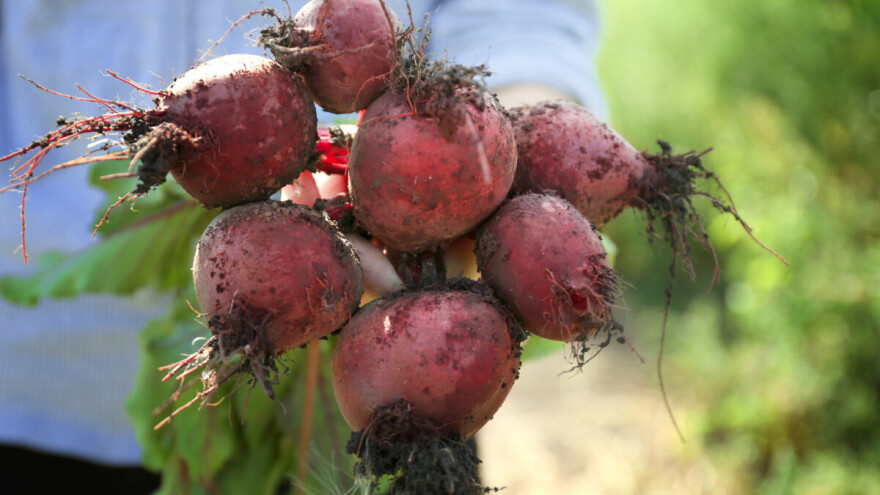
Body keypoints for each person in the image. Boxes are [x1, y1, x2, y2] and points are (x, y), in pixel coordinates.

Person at [0, 0, 605, 491]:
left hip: (410, 387)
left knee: (405, 449)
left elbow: (524, 12)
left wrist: (503, 132)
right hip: (37, 380)